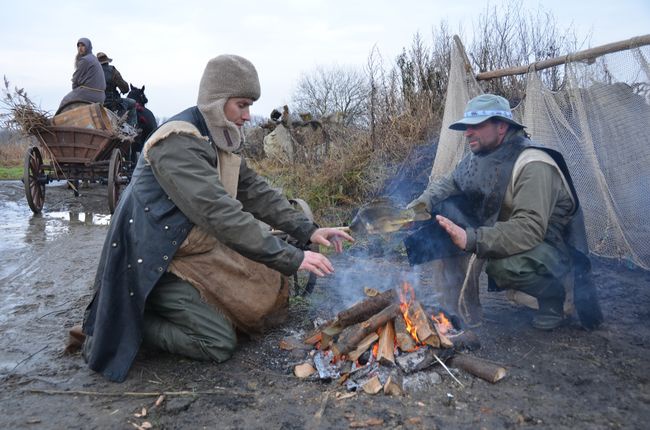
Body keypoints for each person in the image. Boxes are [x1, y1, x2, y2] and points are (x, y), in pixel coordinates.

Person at [80, 54, 354, 382]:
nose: (248, 116)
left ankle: (177, 308)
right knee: (218, 341)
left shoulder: (214, 138)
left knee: (265, 298)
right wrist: (293, 257)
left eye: (250, 105)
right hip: (152, 263)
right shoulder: (177, 143)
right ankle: (130, 318)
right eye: (242, 105)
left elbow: (256, 192)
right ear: (218, 100)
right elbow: (221, 215)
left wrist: (308, 230)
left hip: (187, 248)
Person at [405, 94, 602, 331]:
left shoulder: (533, 163)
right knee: (444, 214)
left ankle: (555, 298)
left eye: (476, 125)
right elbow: (447, 185)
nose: (468, 132)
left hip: (552, 249)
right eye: (467, 126)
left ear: (501, 126)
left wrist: (472, 238)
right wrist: (415, 210)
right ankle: (461, 313)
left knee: (504, 265)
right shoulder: (479, 156)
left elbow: (528, 229)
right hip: (509, 235)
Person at [57, 38, 106, 114]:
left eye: (83, 45)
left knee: (65, 100)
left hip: (89, 92)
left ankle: (54, 123)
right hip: (101, 96)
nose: (80, 48)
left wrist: (75, 91)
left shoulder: (85, 60)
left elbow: (75, 79)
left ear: (88, 47)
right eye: (78, 46)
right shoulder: (93, 58)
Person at [96, 51, 136, 124]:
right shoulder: (113, 71)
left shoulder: (92, 72)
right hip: (112, 104)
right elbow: (125, 88)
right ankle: (132, 128)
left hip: (96, 104)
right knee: (133, 103)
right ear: (107, 62)